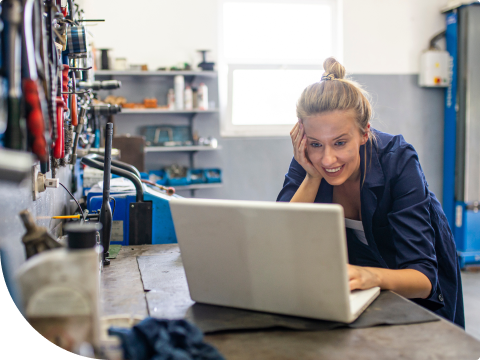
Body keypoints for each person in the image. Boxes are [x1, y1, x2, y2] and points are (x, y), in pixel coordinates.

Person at [277, 57, 464, 327]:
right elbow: (281, 243)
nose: (328, 159)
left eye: (340, 142)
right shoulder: (308, 160)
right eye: (316, 144)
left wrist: (372, 276)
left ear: (365, 132)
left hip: (410, 280)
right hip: (360, 285)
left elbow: (423, 279)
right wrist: (311, 177)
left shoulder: (398, 159)